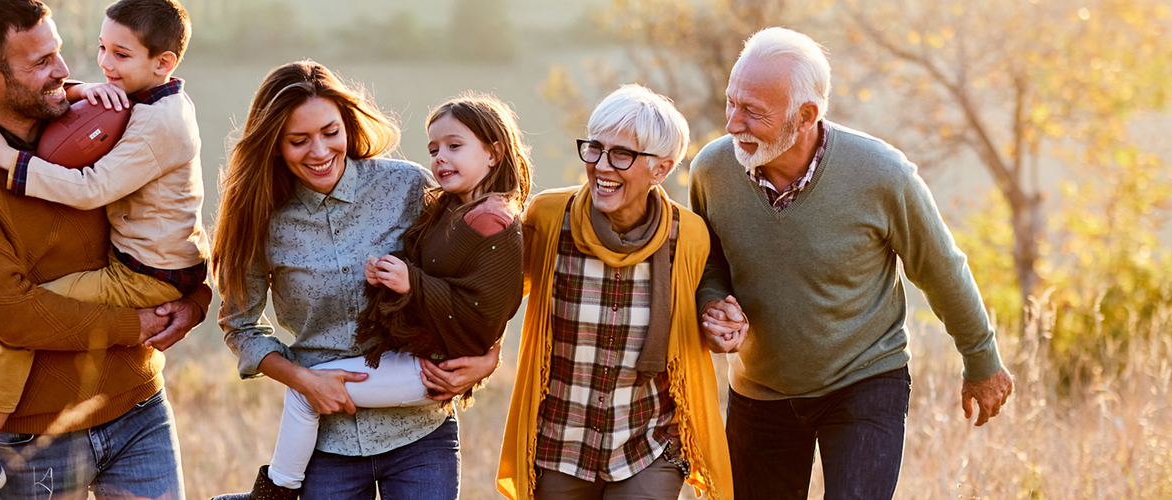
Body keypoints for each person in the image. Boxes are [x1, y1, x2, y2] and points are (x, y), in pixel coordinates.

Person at [687, 28, 1015, 500]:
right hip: (761, 388)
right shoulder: (712, 171)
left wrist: (982, 360)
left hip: (865, 380)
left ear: (806, 116)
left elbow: (941, 268)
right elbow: (708, 261)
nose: (733, 123)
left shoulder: (882, 174)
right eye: (731, 103)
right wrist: (714, 304)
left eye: (753, 112)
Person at [0, 0, 209, 498]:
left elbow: (176, 217)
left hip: (140, 410)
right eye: (42, 62)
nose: (67, 71)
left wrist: (195, 302)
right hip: (35, 437)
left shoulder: (106, 119)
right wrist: (136, 326)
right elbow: (12, 315)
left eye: (61, 53)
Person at [215, 93, 532, 500]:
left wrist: (489, 356)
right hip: (329, 444)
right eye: (299, 140)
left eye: (331, 132)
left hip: (421, 432)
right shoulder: (263, 218)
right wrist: (304, 380)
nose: (320, 151)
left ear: (346, 126)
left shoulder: (408, 185)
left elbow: (481, 276)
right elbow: (240, 326)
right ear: (274, 143)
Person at [495, 85, 739, 500]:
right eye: (595, 148)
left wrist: (719, 318)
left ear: (661, 169)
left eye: (622, 154)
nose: (601, 166)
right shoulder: (551, 218)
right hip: (560, 445)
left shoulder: (689, 235)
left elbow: (704, 294)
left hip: (649, 443)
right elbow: (493, 296)